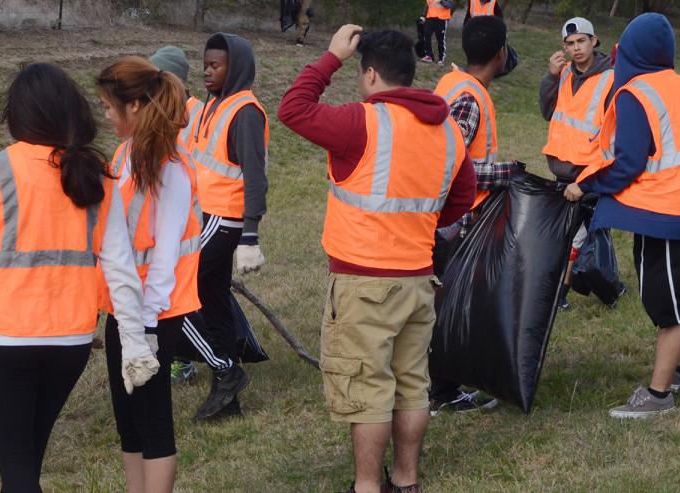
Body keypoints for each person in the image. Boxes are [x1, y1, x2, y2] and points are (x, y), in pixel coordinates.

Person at [0, 63, 159, 492]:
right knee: (24, 466)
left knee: (18, 474)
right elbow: (120, 270)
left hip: (7, 342)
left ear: (18, 115)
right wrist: (133, 343)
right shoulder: (95, 177)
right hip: (71, 343)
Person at [278, 25, 476, 493]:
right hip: (418, 281)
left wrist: (329, 58)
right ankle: (405, 481)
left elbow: (292, 109)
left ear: (369, 74)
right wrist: (420, 227)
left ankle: (367, 485)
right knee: (411, 384)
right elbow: (462, 196)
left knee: (367, 392)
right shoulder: (447, 130)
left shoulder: (360, 122)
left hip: (362, 284)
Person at [564, 13, 680, 418]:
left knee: (670, 305)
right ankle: (671, 373)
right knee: (662, 297)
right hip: (668, 209)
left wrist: (585, 185)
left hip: (668, 213)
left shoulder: (637, 93)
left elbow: (628, 162)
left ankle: (659, 395)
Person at [96, 56, 202, 493]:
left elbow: (164, 258)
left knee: (153, 420)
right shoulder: (125, 153)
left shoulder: (171, 168)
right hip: (125, 310)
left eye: (108, 105)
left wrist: (146, 326)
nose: (105, 113)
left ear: (135, 105)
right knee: (129, 421)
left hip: (153, 314)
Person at [431, 14, 519, 415]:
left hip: (456, 217)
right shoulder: (468, 97)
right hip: (459, 220)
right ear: (500, 54)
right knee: (450, 306)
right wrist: (508, 174)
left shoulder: (454, 83)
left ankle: (446, 383)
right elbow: (450, 165)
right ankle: (443, 389)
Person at [182, 32, 270, 421]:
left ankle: (225, 370)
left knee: (177, 289)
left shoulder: (245, 111)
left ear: (236, 69)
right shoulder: (213, 106)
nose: (207, 71)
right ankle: (227, 393)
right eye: (205, 64)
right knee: (210, 294)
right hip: (206, 215)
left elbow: (255, 175)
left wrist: (250, 233)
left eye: (215, 65)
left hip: (224, 217)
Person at [540, 17, 617, 310]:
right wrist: (550, 76)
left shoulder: (610, 78)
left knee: (577, 238)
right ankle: (606, 284)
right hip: (561, 171)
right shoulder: (563, 74)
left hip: (587, 175)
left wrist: (587, 180)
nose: (576, 48)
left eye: (581, 41)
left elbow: (612, 137)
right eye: (570, 43)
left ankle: (560, 291)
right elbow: (548, 111)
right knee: (579, 237)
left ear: (594, 41)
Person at [149, 46, 206, 385]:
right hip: (175, 209)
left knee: (179, 297)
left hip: (190, 212)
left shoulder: (191, 113)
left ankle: (197, 360)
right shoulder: (165, 110)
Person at [422, 0, 453, 64]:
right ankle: (429, 56)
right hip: (429, 17)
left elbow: (450, 5)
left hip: (441, 18)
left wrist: (442, 2)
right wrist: (423, 15)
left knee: (440, 39)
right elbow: (428, 5)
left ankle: (441, 58)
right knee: (426, 34)